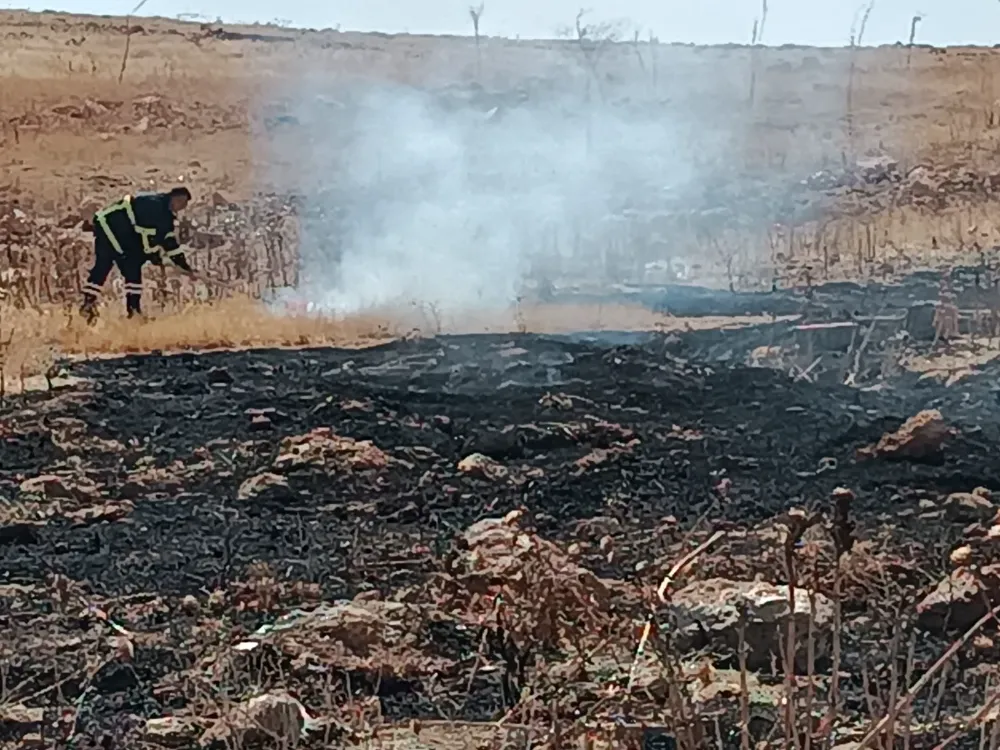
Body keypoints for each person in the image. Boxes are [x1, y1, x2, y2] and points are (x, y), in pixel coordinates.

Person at [79, 186, 196, 323]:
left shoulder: (164, 213)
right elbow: (148, 236)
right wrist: (153, 255)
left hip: (116, 231)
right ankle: (132, 311)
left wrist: (183, 265)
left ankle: (95, 305)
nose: (182, 208)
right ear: (176, 198)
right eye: (182, 203)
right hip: (112, 229)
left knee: (118, 269)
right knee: (127, 265)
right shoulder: (155, 207)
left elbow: (169, 244)